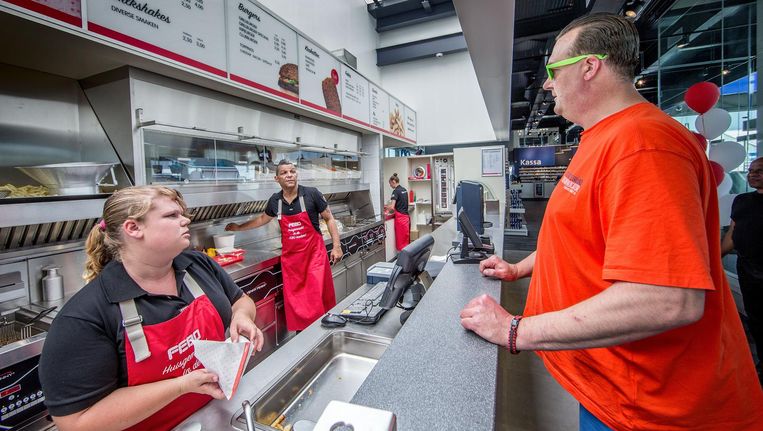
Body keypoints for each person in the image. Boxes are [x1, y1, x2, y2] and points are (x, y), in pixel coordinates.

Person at [459, 13, 763, 430]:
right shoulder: (599, 138)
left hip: (655, 407)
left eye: (553, 69)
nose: (547, 83)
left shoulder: (644, 146)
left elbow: (667, 299)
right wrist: (520, 267)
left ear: (589, 67)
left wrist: (515, 330)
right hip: (613, 387)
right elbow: (578, 236)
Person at [39, 185, 265, 431]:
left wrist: (242, 316)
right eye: (172, 216)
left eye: (182, 213)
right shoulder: (84, 317)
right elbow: (76, 422)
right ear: (133, 228)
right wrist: (180, 386)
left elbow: (241, 300)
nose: (186, 220)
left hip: (219, 415)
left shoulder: (197, 264)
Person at [226, 160, 341, 331]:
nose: (289, 175)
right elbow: (262, 220)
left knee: (317, 299)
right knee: (297, 304)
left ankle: (321, 333)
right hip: (292, 263)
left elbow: (329, 218)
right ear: (277, 178)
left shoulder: (311, 194)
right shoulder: (275, 201)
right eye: (284, 173)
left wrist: (337, 246)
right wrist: (238, 228)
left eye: (292, 171)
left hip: (314, 257)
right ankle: (301, 337)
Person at [722, 156, 763, 380]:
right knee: (755, 320)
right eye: (751, 170)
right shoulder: (742, 201)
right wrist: (712, 258)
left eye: (760, 170)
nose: (753, 174)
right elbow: (732, 237)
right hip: (748, 271)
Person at [384, 173, 410, 251]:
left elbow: (392, 207)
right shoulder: (404, 189)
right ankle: (407, 256)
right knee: (405, 238)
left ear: (393, 181)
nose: (390, 185)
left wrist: (385, 207)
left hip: (400, 219)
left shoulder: (395, 192)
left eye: (390, 183)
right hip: (406, 217)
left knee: (401, 240)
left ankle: (402, 259)